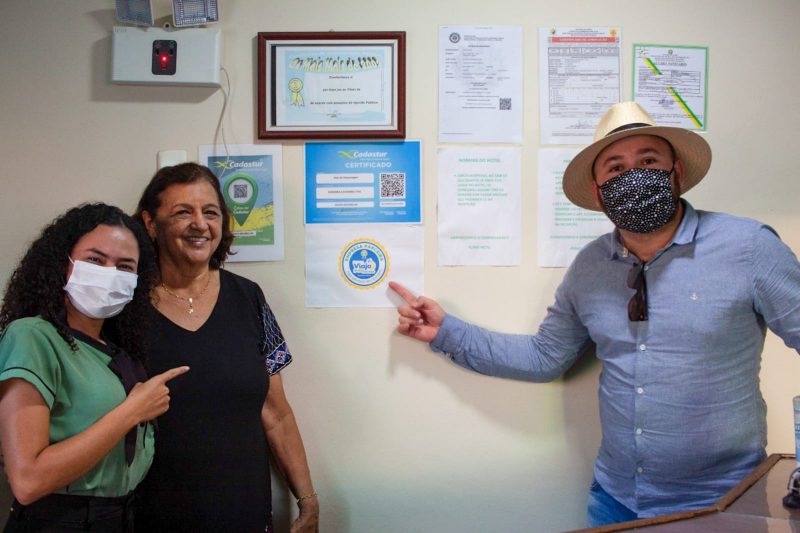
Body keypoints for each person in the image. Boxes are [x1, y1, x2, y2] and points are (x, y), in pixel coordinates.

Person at [390, 101, 800, 526]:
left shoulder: (749, 247)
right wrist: (446, 331)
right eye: (615, 168)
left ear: (676, 171)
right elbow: (544, 357)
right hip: (616, 499)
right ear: (600, 191)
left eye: (648, 161)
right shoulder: (590, 267)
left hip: (724, 503)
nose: (633, 175)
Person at [132, 163, 318, 532]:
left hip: (244, 513)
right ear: (151, 223)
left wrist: (308, 500)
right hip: (150, 516)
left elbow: (276, 413)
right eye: (183, 212)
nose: (200, 224)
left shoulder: (248, 297)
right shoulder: (126, 305)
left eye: (211, 212)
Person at [0, 203, 189, 531]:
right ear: (64, 263)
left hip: (120, 516)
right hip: (61, 522)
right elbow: (28, 481)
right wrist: (132, 411)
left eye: (125, 266)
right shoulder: (32, 336)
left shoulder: (115, 351)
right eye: (95, 260)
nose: (110, 273)